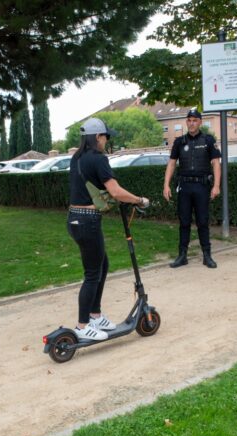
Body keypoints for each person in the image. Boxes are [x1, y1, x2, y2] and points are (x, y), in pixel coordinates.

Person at [68, 117, 150, 341]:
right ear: (97, 137)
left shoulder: (77, 157)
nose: (106, 140)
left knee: (102, 265)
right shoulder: (98, 159)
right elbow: (115, 192)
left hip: (75, 219)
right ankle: (83, 325)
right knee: (92, 273)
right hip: (88, 221)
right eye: (105, 136)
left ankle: (95, 315)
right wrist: (139, 200)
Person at [163, 109, 222, 269]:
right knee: (184, 222)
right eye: (189, 120)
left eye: (195, 120)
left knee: (203, 221)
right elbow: (172, 163)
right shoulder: (179, 142)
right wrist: (166, 184)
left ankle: (207, 255)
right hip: (185, 187)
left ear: (200, 122)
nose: (191, 123)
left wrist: (216, 186)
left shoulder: (208, 140)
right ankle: (182, 256)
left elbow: (216, 163)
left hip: (202, 186)